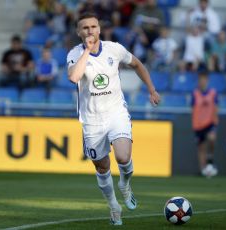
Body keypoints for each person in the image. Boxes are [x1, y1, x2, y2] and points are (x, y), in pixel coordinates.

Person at [66, 12, 160, 225]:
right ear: (79, 32)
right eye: (85, 28)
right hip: (91, 120)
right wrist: (87, 52)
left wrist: (151, 89)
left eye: (93, 26)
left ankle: (125, 185)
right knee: (102, 167)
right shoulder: (74, 54)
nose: (90, 30)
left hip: (116, 112)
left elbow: (137, 64)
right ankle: (114, 206)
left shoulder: (114, 49)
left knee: (123, 157)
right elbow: (73, 77)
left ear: (99, 29)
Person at [191, 71, 218, 177]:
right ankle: (203, 170)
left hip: (210, 122)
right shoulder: (195, 93)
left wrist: (215, 121)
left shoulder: (213, 93)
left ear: (207, 81)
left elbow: (216, 107)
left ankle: (210, 158)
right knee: (201, 148)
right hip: (198, 125)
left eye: (204, 79)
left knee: (211, 138)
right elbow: (193, 109)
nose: (202, 82)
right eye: (200, 80)